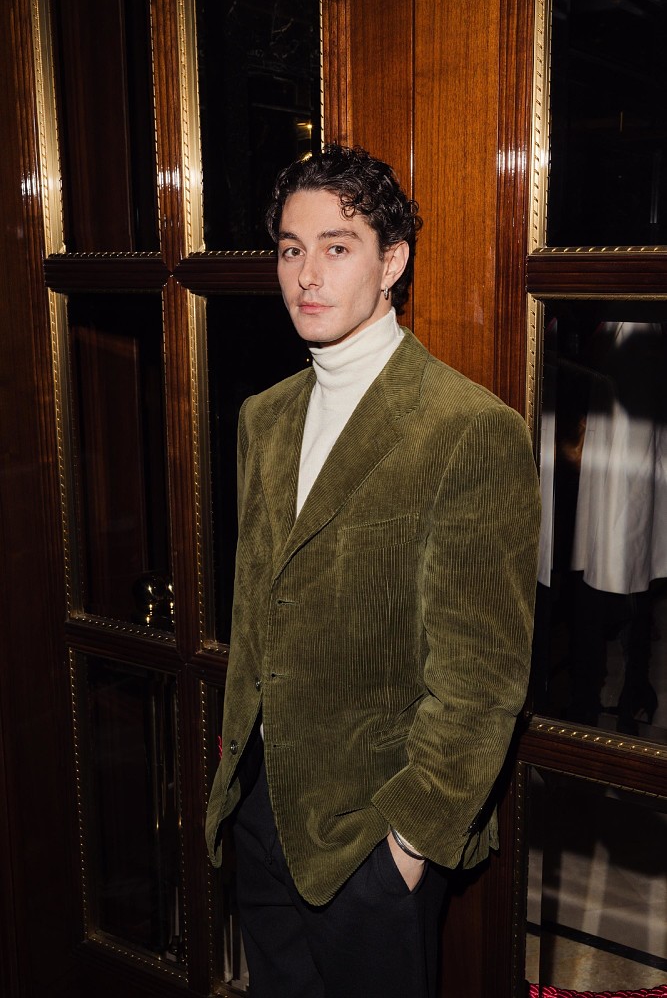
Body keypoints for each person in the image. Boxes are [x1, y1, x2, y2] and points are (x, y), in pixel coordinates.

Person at [206, 143, 540, 998]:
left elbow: (482, 677)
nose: (307, 275)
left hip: (370, 838)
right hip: (260, 813)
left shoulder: (466, 429)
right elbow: (260, 608)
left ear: (391, 262)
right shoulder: (263, 416)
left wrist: (407, 845)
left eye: (338, 246)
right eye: (291, 248)